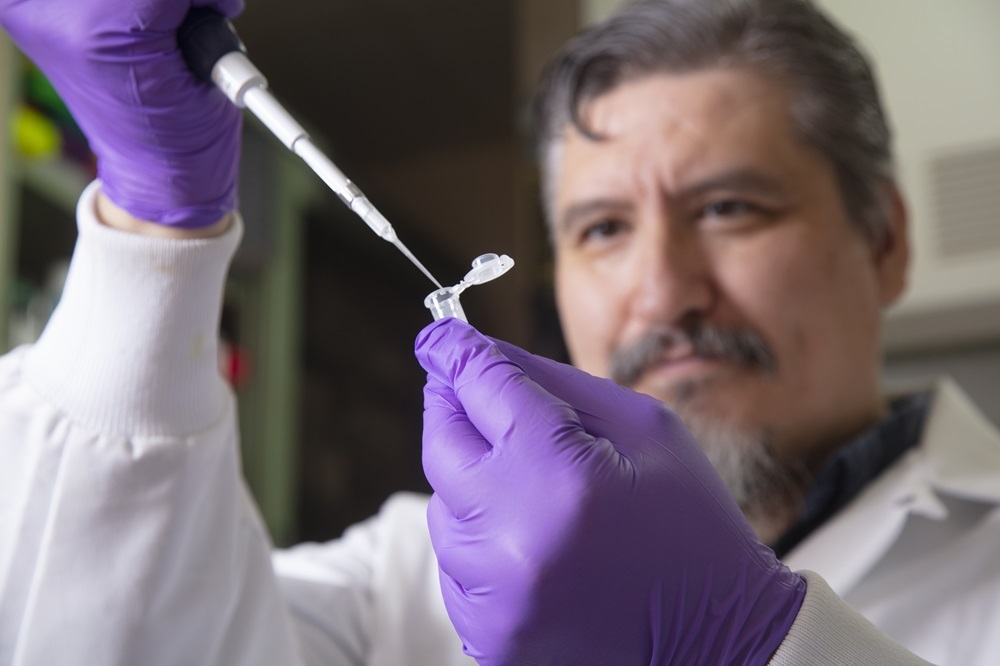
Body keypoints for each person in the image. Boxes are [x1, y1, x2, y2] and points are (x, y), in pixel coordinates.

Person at [0, 0, 996, 663]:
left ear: (886, 242)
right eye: (602, 228)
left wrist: (757, 644)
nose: (661, 290)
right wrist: (152, 226)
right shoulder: (409, 574)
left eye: (730, 207)